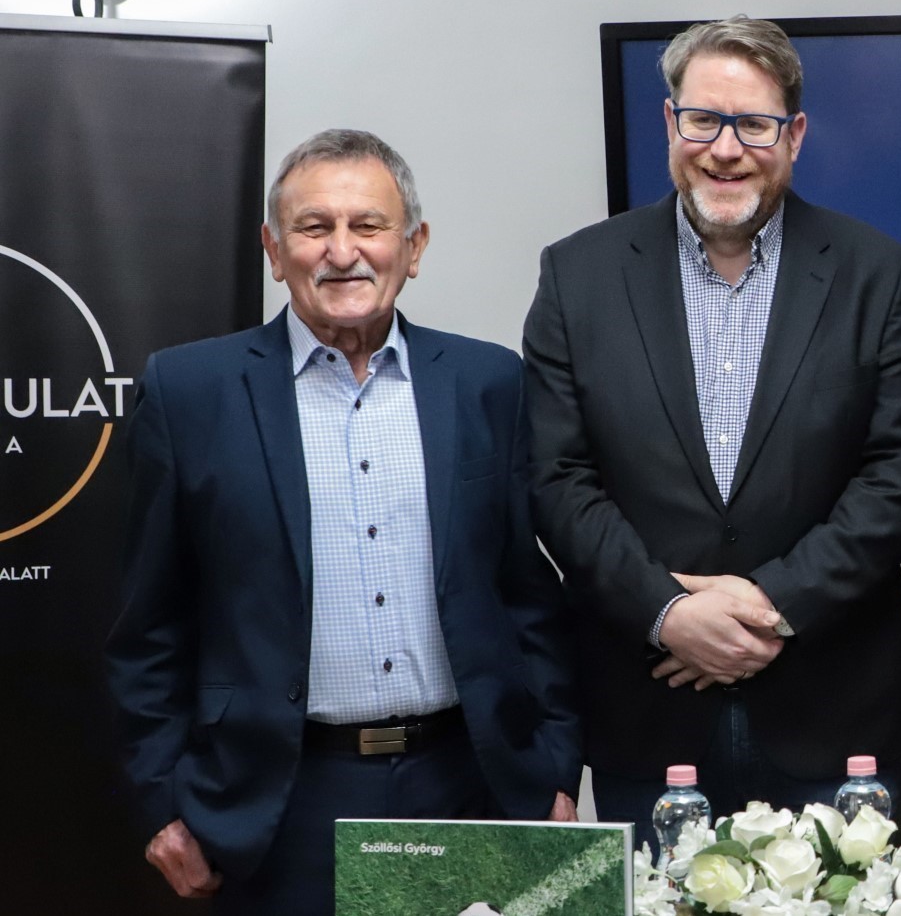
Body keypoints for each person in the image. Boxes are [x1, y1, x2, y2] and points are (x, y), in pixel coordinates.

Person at [107, 129, 582, 916]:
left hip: (471, 785)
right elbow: (149, 625)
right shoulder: (190, 392)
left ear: (413, 246)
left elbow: (530, 595)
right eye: (314, 227)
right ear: (274, 249)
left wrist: (556, 765)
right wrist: (162, 799)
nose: (342, 251)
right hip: (278, 802)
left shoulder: (487, 382)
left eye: (368, 225)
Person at [524, 16, 901, 845]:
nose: (725, 149)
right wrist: (667, 612)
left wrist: (773, 604)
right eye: (703, 120)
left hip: (837, 712)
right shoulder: (578, 274)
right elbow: (556, 479)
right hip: (650, 708)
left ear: (795, 135)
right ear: (668, 122)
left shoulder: (876, 271)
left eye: (753, 124)